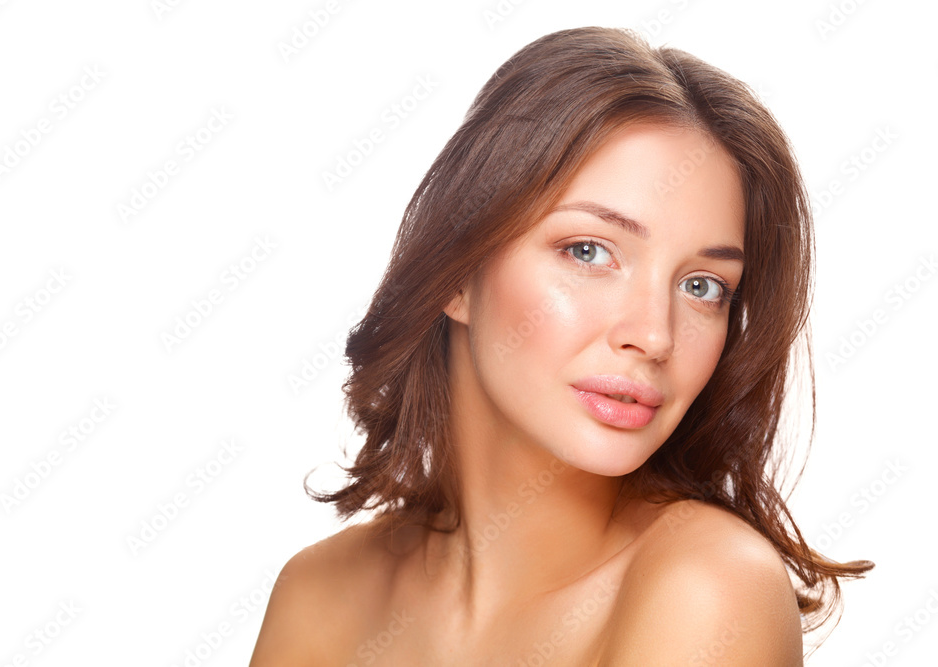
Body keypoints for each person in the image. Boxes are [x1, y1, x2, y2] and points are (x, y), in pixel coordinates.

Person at [250, 26, 873, 666]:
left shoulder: (707, 587)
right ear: (457, 273)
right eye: (589, 252)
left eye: (702, 285)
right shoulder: (318, 593)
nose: (654, 335)